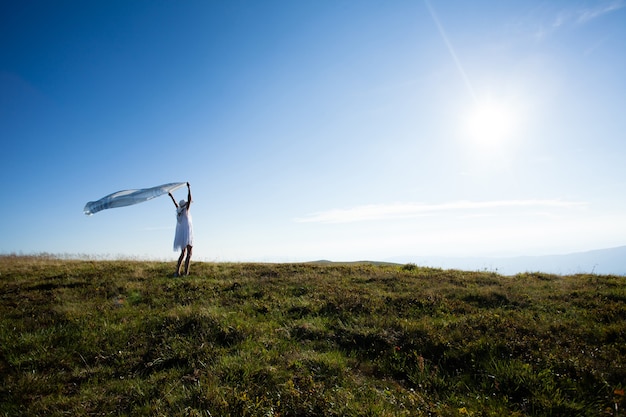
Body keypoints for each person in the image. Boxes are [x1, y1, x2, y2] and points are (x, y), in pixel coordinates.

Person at [168, 182, 193, 276]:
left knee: (183, 253)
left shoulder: (179, 211)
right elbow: (190, 199)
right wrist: (188, 188)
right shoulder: (186, 211)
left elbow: (175, 204)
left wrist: (171, 196)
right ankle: (186, 273)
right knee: (189, 253)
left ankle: (177, 272)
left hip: (182, 235)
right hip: (187, 233)